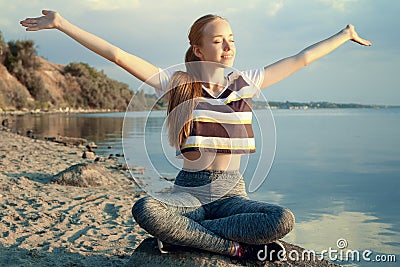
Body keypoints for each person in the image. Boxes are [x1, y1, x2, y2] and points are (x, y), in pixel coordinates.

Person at [20, 10, 371, 263]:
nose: (228, 47)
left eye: (231, 40)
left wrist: (344, 35)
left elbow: (302, 58)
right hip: (189, 191)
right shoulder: (179, 84)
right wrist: (62, 24)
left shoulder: (246, 83)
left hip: (232, 194)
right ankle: (231, 248)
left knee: (282, 220)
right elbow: (118, 55)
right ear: (199, 50)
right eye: (218, 41)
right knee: (146, 208)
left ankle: (194, 234)